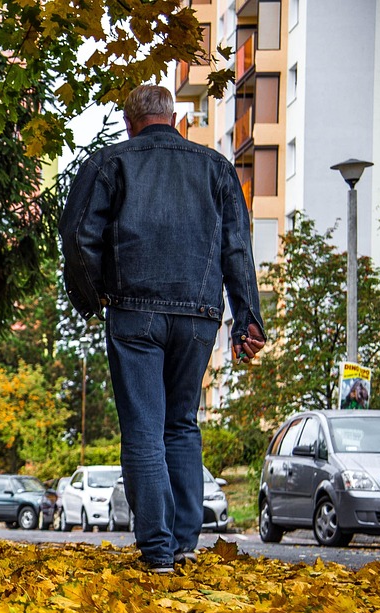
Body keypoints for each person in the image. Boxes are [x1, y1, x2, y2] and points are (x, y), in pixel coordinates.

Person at [59, 85, 266, 573]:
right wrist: (246, 321)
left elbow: (78, 235)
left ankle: (157, 551)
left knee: (144, 429)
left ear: (129, 122)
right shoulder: (217, 168)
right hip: (198, 316)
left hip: (134, 312)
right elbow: (237, 247)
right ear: (173, 118)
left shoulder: (110, 163)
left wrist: (94, 296)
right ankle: (183, 544)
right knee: (182, 424)